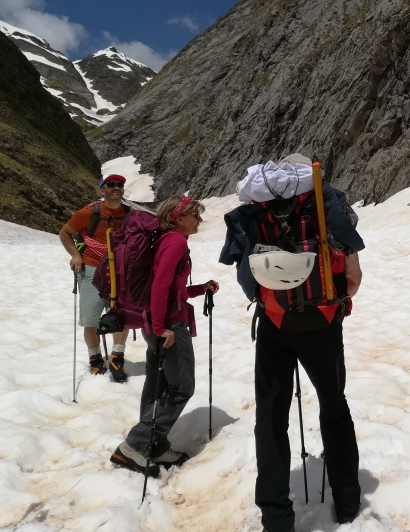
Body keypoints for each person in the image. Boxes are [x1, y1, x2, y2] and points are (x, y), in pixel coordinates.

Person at [220, 154, 364, 532]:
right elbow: (352, 278)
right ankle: (347, 502)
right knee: (334, 408)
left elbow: (246, 272)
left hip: (274, 325)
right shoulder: (327, 209)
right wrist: (334, 303)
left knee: (270, 418)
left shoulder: (258, 213)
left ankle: (276, 517)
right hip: (323, 325)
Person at [110, 195, 218, 476]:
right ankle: (135, 445)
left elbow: (171, 288)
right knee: (181, 386)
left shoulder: (163, 240)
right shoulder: (176, 242)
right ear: (178, 218)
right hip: (167, 324)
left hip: (155, 320)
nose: (199, 221)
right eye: (195, 216)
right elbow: (159, 286)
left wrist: (200, 288)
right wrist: (161, 327)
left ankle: (154, 446)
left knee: (158, 384)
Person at [58, 173, 131, 381]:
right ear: (102, 190)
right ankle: (95, 358)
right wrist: (75, 255)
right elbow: (65, 232)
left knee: (120, 316)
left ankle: (117, 357)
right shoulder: (89, 213)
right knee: (91, 319)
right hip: (91, 268)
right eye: (111, 184)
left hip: (120, 269)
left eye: (119, 184)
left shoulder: (129, 214)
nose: (116, 187)